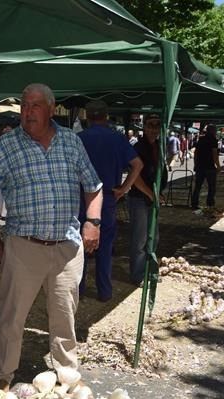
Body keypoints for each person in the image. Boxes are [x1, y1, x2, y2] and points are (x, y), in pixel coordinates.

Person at [0, 83, 103, 390]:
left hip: (67, 247)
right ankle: (2, 378)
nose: (28, 112)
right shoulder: (5, 147)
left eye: (35, 106)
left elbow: (94, 185)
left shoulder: (71, 142)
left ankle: (68, 376)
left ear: (51, 108)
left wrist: (93, 221)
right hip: (24, 246)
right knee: (12, 319)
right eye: (24, 106)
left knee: (64, 318)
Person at [78, 99, 143, 302]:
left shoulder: (78, 139)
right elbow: (137, 164)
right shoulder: (118, 139)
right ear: (106, 117)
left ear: (87, 117)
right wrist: (124, 188)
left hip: (80, 197)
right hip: (107, 197)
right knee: (105, 246)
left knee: (78, 245)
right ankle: (104, 291)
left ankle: (77, 290)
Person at [128, 114, 167, 285]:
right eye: (150, 125)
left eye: (157, 125)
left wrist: (158, 193)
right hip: (139, 199)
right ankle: (138, 275)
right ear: (144, 127)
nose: (153, 129)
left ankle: (150, 270)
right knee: (140, 239)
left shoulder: (159, 146)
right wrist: (151, 194)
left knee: (154, 237)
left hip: (153, 198)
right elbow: (134, 177)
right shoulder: (138, 147)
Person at [191, 124, 220, 210]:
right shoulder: (213, 140)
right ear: (213, 131)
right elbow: (215, 154)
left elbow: (196, 153)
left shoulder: (201, 139)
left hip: (200, 166)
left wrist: (195, 164)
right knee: (211, 187)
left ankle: (194, 203)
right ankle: (210, 204)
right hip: (210, 167)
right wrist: (218, 166)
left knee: (197, 186)